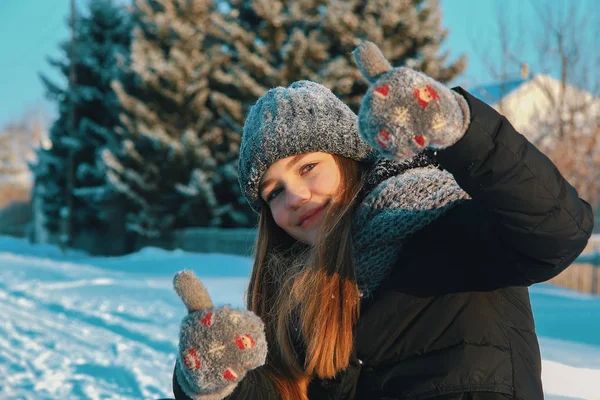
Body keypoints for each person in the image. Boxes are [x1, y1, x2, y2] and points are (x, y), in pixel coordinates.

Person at [170, 41, 593, 400]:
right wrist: (211, 382)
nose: (294, 198)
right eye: (274, 192)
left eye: (307, 168)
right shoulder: (298, 303)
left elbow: (559, 231)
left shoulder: (442, 221)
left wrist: (462, 131)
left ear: (348, 160)